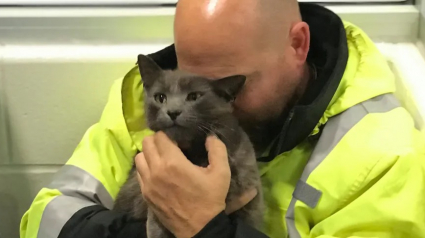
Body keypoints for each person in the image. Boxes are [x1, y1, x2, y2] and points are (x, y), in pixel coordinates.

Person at [20, 0, 425, 237]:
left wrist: (209, 229)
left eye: (229, 87)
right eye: (189, 72)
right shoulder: (149, 99)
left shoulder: (385, 156)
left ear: (297, 45)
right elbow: (45, 219)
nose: (201, 104)